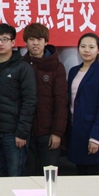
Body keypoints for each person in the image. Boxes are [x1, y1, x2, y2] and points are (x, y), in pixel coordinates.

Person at [0, 23, 36, 177]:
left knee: (15, 177)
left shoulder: (23, 68)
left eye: (4, 39)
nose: (0, 43)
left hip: (14, 134)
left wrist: (22, 133)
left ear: (13, 42)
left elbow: (29, 101)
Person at [21, 23, 68, 177]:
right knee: (27, 178)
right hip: (25, 134)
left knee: (49, 178)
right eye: (31, 39)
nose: (35, 43)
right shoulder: (20, 65)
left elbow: (61, 102)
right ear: (26, 42)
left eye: (39, 39)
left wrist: (57, 132)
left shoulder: (57, 67)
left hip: (49, 134)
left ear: (46, 41)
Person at [67, 33, 99, 175]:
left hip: (92, 132)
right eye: (83, 46)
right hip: (76, 131)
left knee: (94, 178)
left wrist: (96, 137)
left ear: (98, 50)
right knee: (79, 176)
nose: (86, 50)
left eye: (91, 47)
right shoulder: (73, 71)